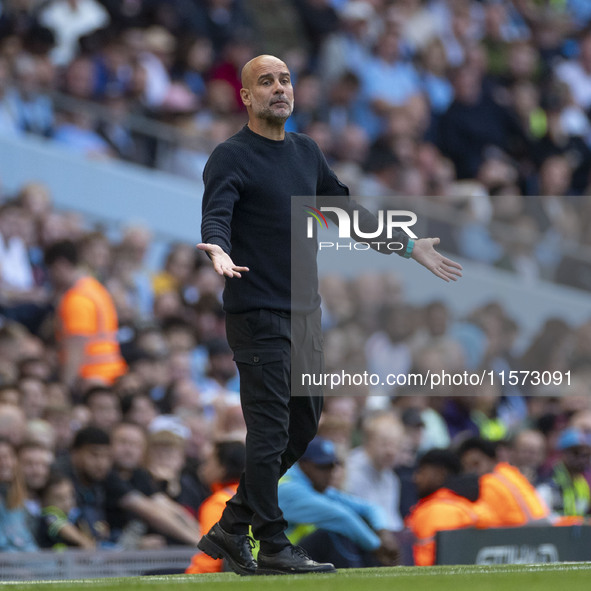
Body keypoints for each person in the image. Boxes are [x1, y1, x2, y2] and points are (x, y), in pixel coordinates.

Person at [196, 54, 462, 576]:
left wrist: (409, 247)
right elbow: (216, 214)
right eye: (266, 82)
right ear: (246, 97)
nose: (279, 88)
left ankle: (232, 527)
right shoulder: (231, 156)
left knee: (303, 426)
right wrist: (219, 250)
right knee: (270, 432)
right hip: (258, 312)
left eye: (285, 79)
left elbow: (347, 216)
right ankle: (271, 542)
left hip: (305, 317)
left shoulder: (306, 152)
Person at [277, 436, 400, 569]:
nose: (330, 473)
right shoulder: (288, 487)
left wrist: (383, 533)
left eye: (332, 466)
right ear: (304, 465)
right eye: (323, 467)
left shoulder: (311, 484)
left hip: (290, 552)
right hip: (271, 555)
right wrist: (378, 547)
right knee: (332, 534)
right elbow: (341, 517)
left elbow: (370, 508)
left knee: (351, 528)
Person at [44, 240, 127, 391]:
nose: (50, 278)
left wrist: (65, 388)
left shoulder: (76, 299)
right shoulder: (96, 289)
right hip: (111, 374)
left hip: (91, 379)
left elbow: (75, 348)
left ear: (60, 265)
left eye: (51, 271)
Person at [405, 448, 494, 566]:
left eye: (422, 471)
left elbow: (425, 564)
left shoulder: (436, 511)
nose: (416, 478)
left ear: (439, 473)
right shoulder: (464, 507)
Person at [457, 437, 551, 527]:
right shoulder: (511, 473)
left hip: (522, 537)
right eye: (466, 467)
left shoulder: (489, 482)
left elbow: (480, 518)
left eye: (476, 464)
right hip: (539, 533)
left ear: (492, 460)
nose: (471, 471)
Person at [186, 440, 247, 574]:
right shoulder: (254, 495)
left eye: (208, 462)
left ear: (223, 468)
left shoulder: (217, 503)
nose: (202, 468)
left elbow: (211, 560)